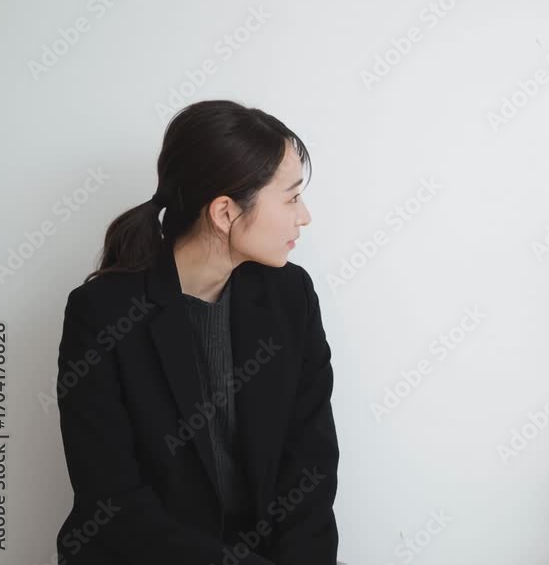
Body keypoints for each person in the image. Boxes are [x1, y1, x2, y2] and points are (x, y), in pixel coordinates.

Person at [54, 100, 339, 564]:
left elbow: (311, 465)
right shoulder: (102, 313)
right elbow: (113, 503)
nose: (304, 216)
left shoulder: (290, 296)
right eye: (291, 198)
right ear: (225, 213)